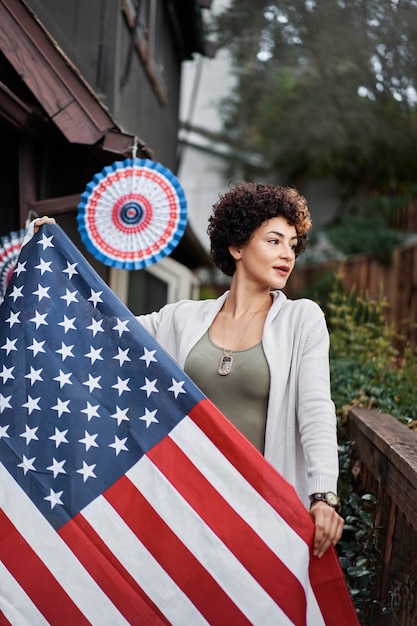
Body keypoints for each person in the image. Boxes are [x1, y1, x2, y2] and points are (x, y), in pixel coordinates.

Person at [32, 181, 344, 558]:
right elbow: (106, 331)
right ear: (237, 246)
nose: (287, 255)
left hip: (260, 512)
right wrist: (54, 263)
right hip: (184, 505)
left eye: (293, 245)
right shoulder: (183, 318)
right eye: (274, 241)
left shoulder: (302, 319)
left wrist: (323, 495)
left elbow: (315, 410)